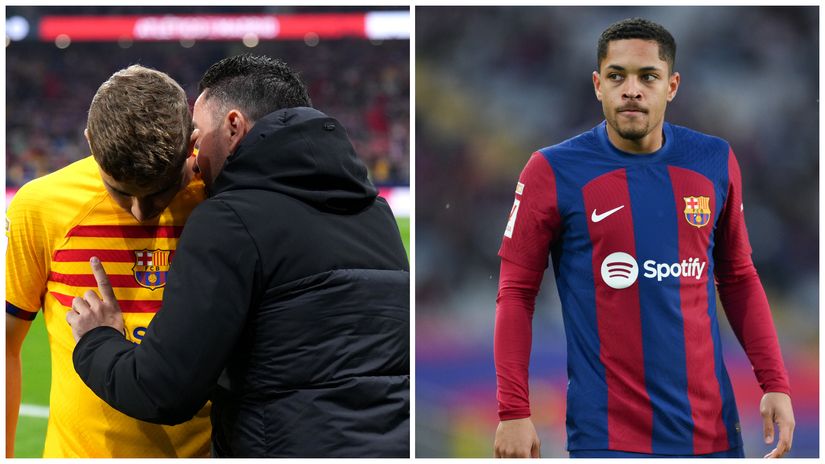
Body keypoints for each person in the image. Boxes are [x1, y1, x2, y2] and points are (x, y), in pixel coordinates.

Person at [65, 54, 410, 457]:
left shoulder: (228, 220)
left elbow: (162, 389)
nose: (194, 159)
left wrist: (97, 339)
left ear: (233, 125)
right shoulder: (377, 214)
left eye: (197, 137)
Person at [493, 18, 794, 458]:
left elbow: (738, 277)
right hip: (607, 439)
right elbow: (516, 293)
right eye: (617, 76)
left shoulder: (713, 160)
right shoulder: (552, 171)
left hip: (712, 436)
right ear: (598, 85)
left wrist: (775, 383)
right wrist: (513, 411)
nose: (631, 90)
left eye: (647, 77)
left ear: (672, 86)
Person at [5, 65, 211, 457]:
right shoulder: (40, 207)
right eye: (120, 192)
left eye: (160, 191)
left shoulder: (224, 197)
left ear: (192, 144)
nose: (140, 212)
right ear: (91, 143)